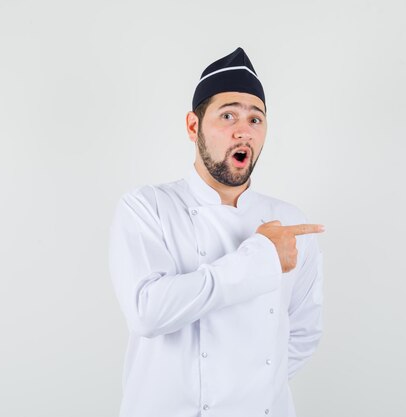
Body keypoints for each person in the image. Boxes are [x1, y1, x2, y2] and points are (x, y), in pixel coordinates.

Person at [109, 47, 325, 417]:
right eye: (228, 116)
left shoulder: (289, 220)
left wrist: (253, 390)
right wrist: (262, 259)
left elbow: (303, 334)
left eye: (256, 120)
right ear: (194, 126)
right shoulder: (148, 207)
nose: (244, 130)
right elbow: (148, 312)